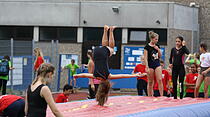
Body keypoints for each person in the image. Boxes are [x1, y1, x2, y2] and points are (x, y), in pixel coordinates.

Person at [74, 25, 144, 106]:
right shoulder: (95, 76)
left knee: (111, 48)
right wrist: (77, 75)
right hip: (95, 53)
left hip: (102, 54)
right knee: (105, 47)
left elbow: (122, 76)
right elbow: (84, 75)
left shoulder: (108, 76)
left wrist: (134, 75)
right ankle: (105, 30)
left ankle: (110, 31)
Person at [144, 31, 163, 97]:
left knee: (160, 79)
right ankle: (150, 95)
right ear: (152, 39)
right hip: (150, 65)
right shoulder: (147, 47)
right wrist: (146, 66)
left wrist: (158, 49)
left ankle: (161, 95)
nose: (157, 40)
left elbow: (160, 56)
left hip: (157, 64)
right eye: (156, 39)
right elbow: (145, 58)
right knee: (150, 82)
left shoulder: (157, 46)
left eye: (157, 39)